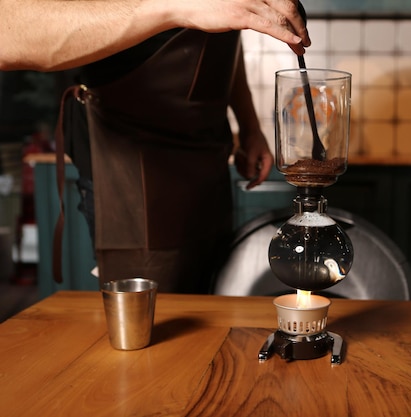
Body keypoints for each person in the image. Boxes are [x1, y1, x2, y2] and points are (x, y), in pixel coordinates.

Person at [0, 0, 312, 293]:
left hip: (206, 158)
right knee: (155, 326)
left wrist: (248, 125)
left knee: (208, 302)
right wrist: (179, 5)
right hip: (128, 163)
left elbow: (224, 31)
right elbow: (8, 31)